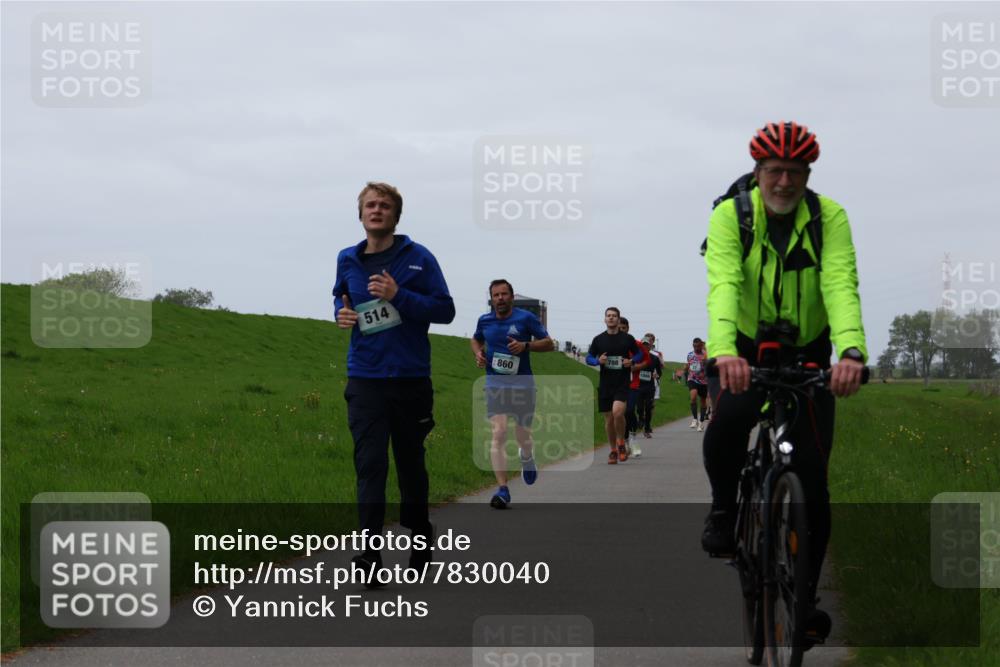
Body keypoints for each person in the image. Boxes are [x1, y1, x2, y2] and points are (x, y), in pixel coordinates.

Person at [701, 122, 867, 644]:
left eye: (795, 173)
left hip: (811, 349)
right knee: (728, 422)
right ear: (757, 173)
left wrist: (852, 351)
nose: (784, 182)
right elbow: (724, 282)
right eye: (774, 171)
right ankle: (725, 509)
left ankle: (806, 600)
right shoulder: (732, 215)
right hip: (745, 347)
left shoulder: (829, 217)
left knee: (813, 481)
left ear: (807, 175)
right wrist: (725, 350)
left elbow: (839, 280)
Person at [334, 181, 456, 581]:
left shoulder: (419, 258)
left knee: (409, 466)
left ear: (395, 215)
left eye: (384, 205)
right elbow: (341, 296)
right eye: (370, 205)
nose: (377, 210)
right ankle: (369, 555)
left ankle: (420, 532)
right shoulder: (347, 259)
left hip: (410, 379)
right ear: (361, 213)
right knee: (370, 465)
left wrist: (398, 294)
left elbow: (445, 310)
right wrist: (342, 312)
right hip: (365, 377)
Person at [471, 279, 554, 509]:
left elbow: (549, 343)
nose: (500, 298)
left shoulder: (525, 318)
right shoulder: (484, 320)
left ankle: (526, 456)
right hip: (495, 383)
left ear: (512, 296)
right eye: (496, 295)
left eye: (504, 294)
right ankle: (503, 489)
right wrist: (478, 353)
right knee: (498, 433)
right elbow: (476, 339)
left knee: (522, 437)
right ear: (491, 298)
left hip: (523, 385)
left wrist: (525, 346)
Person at [586, 308, 641, 464]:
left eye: (614, 316)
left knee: (617, 413)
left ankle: (621, 443)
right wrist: (597, 361)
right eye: (608, 316)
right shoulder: (598, 340)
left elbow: (638, 354)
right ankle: (613, 450)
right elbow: (588, 357)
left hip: (622, 383)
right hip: (605, 384)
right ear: (605, 319)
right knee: (609, 419)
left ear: (618, 319)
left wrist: (632, 361)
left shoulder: (627, 338)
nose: (611, 318)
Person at [636, 333, 662, 438]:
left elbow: (660, 373)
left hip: (649, 386)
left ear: (650, 346)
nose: (645, 346)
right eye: (643, 344)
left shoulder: (654, 359)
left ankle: (647, 428)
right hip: (638, 386)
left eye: (647, 344)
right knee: (639, 408)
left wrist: (657, 375)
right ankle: (641, 418)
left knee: (648, 407)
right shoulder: (637, 357)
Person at [684, 337, 710, 432]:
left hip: (704, 381)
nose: (696, 348)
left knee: (703, 401)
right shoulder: (690, 355)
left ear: (701, 346)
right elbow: (688, 365)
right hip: (693, 379)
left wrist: (706, 362)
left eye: (698, 346)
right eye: (694, 346)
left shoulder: (706, 355)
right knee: (693, 397)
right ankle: (695, 419)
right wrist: (686, 374)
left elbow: (710, 366)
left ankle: (701, 422)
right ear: (693, 346)